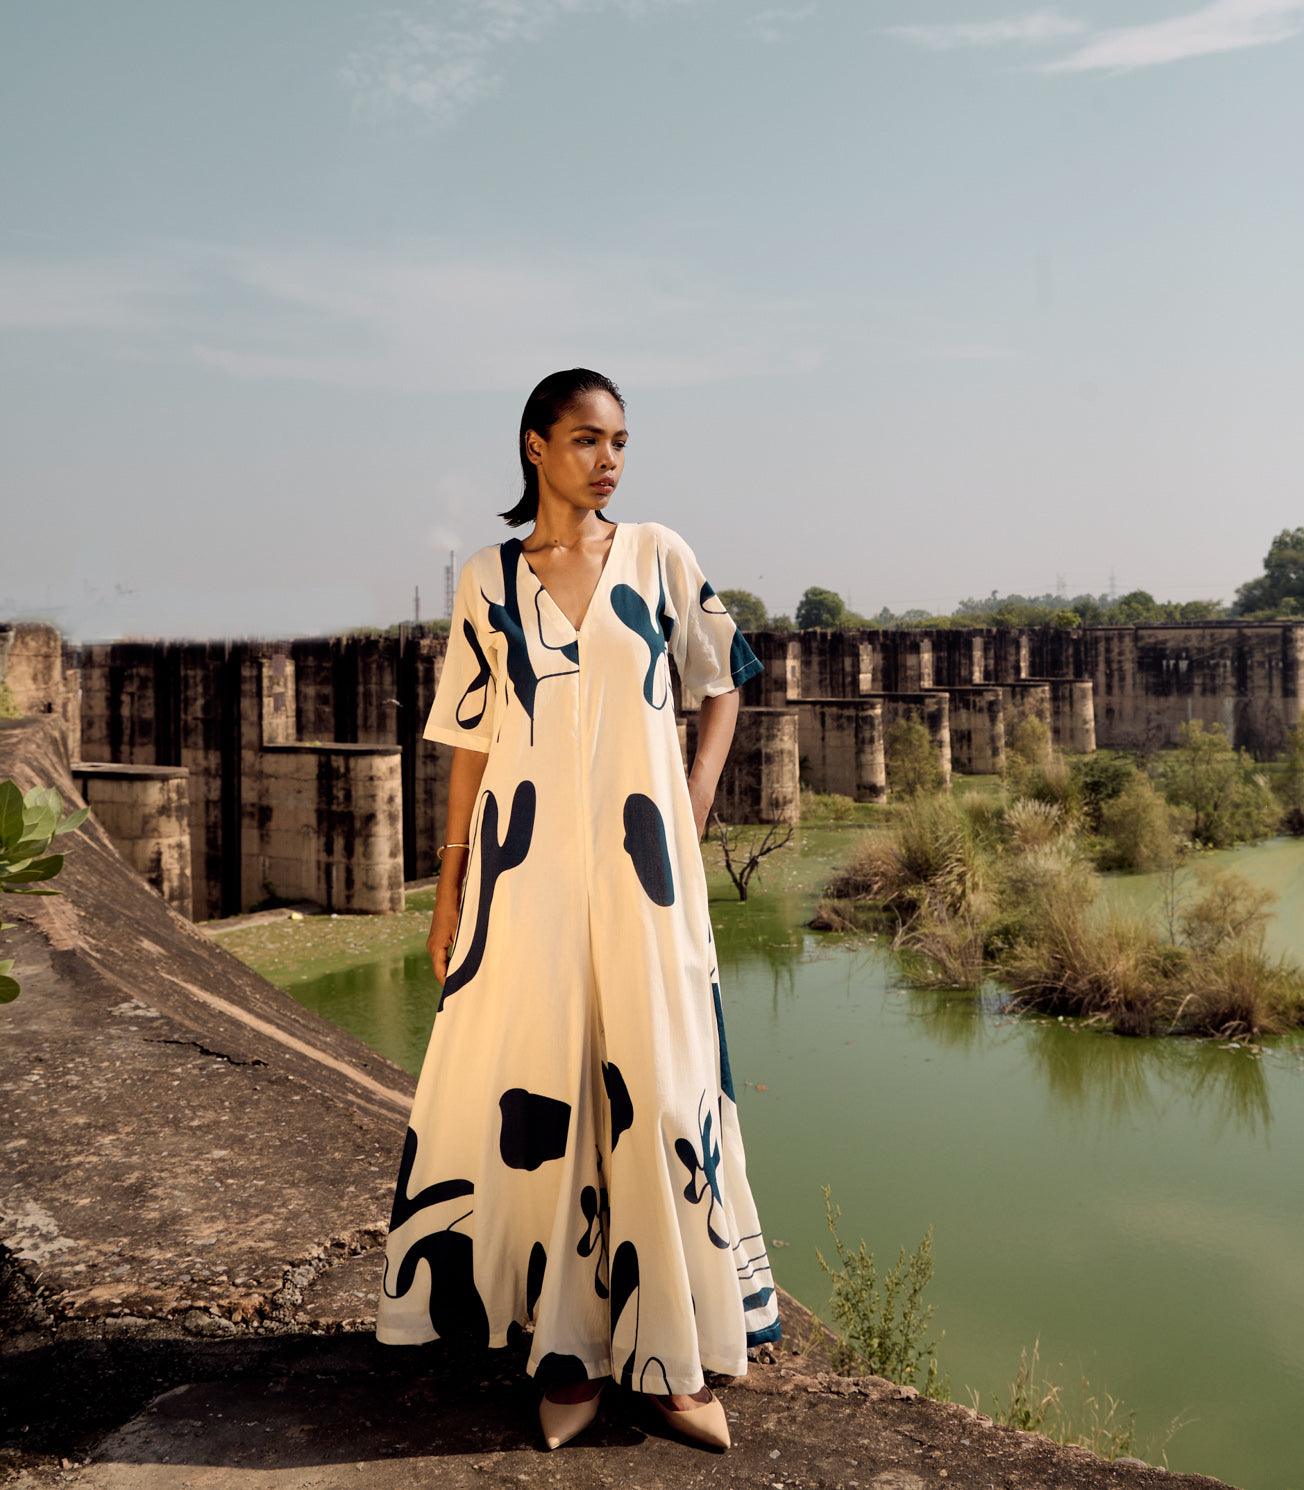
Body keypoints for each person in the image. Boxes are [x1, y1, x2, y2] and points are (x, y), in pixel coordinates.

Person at [374, 368, 781, 1453]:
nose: (609, 461)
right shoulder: (487, 578)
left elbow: (725, 676)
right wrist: (451, 883)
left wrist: (693, 794)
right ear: (535, 447)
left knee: (659, 1090)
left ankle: (672, 1359)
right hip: (526, 877)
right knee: (542, 1093)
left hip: (646, 876)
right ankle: (567, 1354)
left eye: (620, 442)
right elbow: (468, 738)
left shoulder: (656, 555)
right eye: (588, 439)